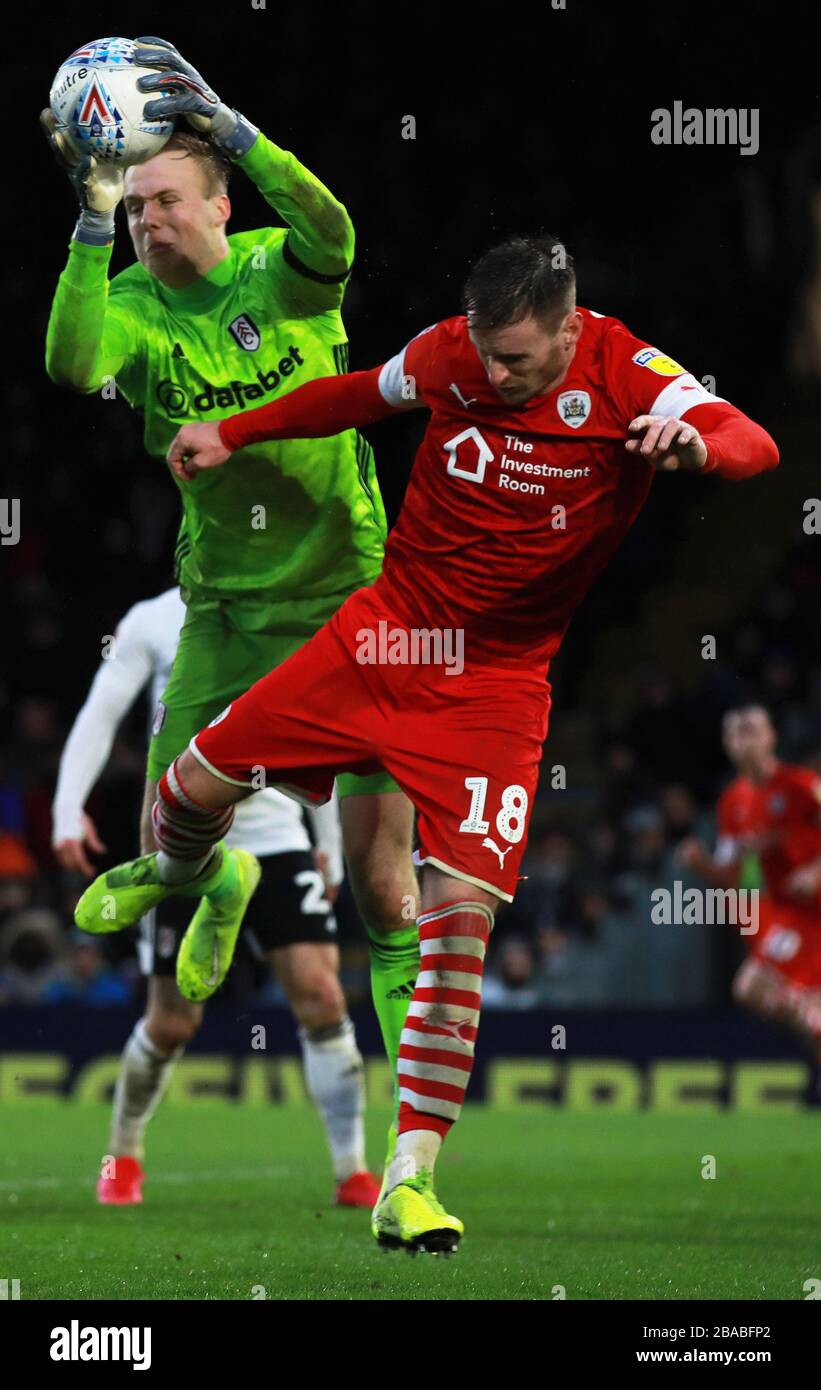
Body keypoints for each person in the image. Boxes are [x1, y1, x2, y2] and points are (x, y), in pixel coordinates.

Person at [76, 234, 779, 1253]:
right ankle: (197, 878)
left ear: (570, 327)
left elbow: (751, 442)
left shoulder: (628, 374)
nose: (494, 375)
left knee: (454, 928)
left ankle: (410, 1182)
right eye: (487, 354)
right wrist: (233, 428)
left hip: (494, 689)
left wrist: (692, 448)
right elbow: (355, 394)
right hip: (385, 634)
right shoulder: (453, 353)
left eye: (518, 359)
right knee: (188, 784)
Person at [41, 37, 420, 1168]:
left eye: (161, 201)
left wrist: (242, 130)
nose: (146, 221)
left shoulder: (278, 270)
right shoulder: (133, 307)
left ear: (216, 202)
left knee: (384, 890)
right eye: (133, 204)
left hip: (353, 598)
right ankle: (198, 880)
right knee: (175, 820)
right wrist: (87, 215)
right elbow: (70, 366)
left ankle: (407, 1136)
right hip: (223, 605)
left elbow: (335, 230)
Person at [53, 586, 379, 1207]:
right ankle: (122, 1155)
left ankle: (352, 1170)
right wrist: (67, 811)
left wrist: (328, 844)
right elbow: (101, 712)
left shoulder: (293, 607)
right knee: (173, 1022)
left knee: (322, 994)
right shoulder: (152, 618)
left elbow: (325, 734)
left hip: (279, 834)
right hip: (182, 841)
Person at [679, 705, 821, 1067]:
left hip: (813, 907)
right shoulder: (732, 804)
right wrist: (703, 865)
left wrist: (816, 870)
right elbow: (731, 875)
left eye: (753, 730)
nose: (745, 740)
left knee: (759, 989)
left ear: (772, 737)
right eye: (737, 733)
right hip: (791, 913)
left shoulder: (802, 786)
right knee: (754, 991)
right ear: (727, 743)